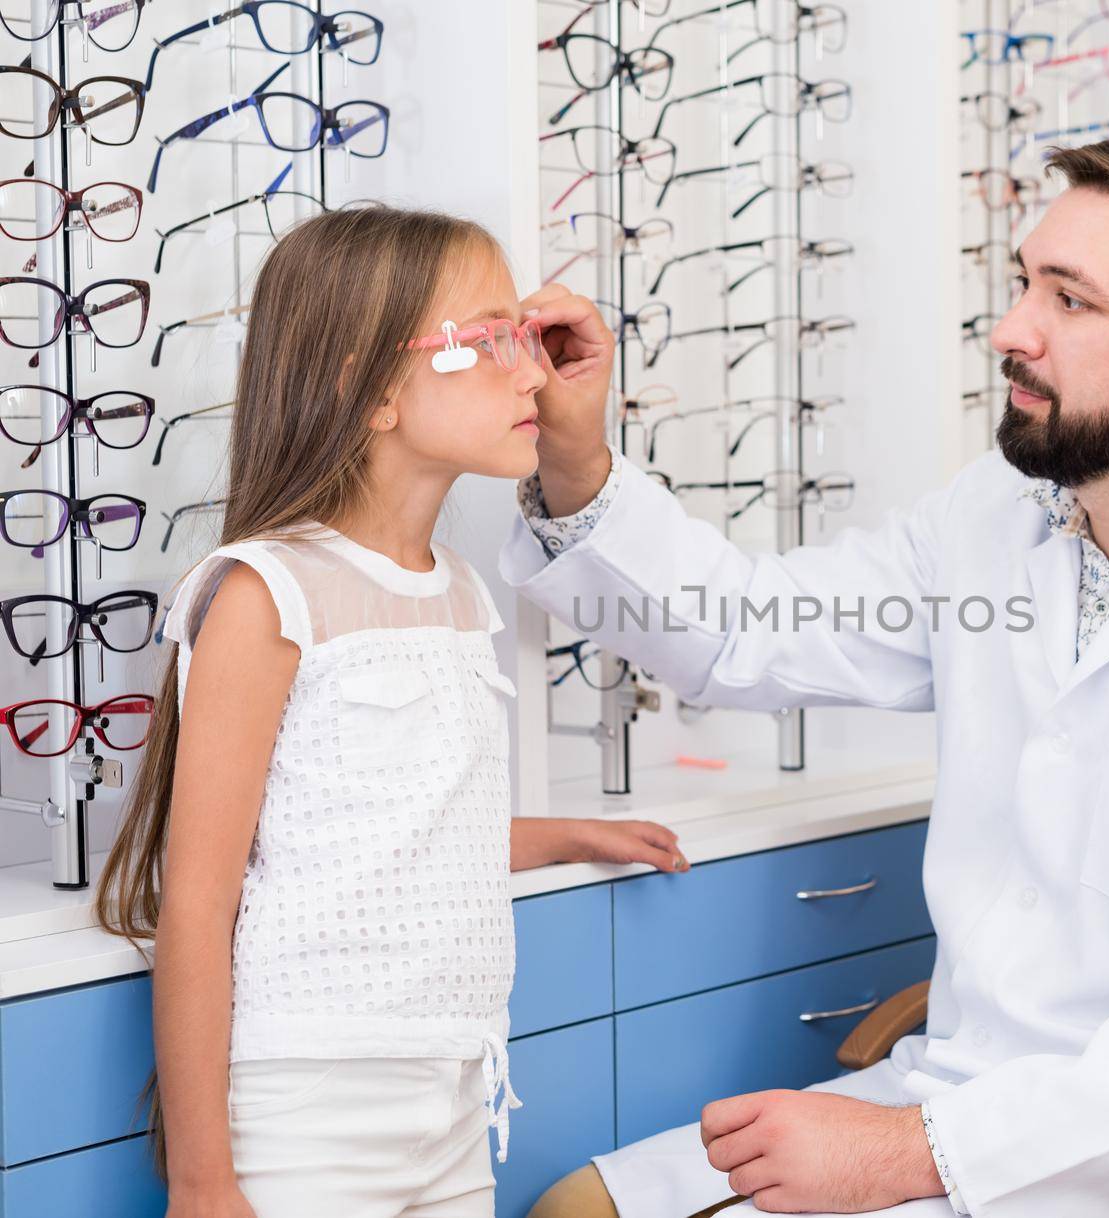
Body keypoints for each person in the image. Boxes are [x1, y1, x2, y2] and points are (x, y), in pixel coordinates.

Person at [507, 132, 1109, 1217]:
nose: (1011, 330)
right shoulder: (1003, 514)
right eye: (1025, 281)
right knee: (578, 1206)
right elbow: (751, 629)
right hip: (970, 1095)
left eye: (1070, 302)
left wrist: (906, 1153)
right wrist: (575, 457)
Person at [93, 205, 689, 1218]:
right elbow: (199, 904)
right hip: (311, 1116)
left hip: (457, 1100)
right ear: (365, 390)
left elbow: (391, 831)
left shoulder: (458, 590)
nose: (531, 372)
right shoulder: (263, 596)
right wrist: (203, 1181)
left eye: (526, 337)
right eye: (490, 340)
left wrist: (565, 836)